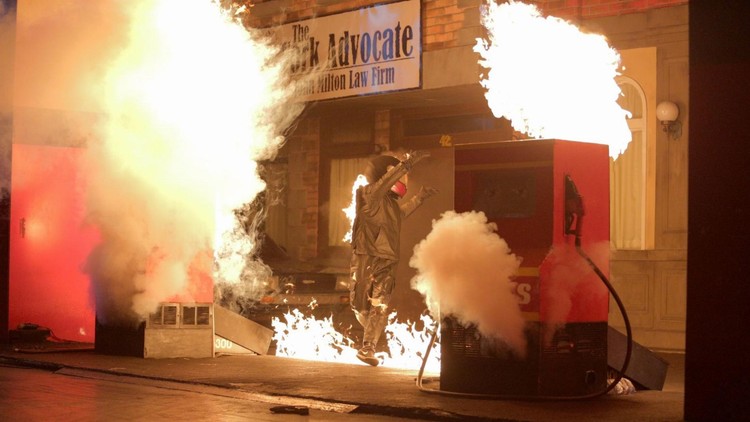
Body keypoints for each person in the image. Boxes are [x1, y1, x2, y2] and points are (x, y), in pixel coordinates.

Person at [349, 151, 438, 366]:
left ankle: (368, 347)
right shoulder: (370, 194)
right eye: (399, 175)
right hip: (367, 257)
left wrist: (420, 198)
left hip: (388, 259)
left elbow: (400, 215)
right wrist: (407, 164)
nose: (403, 181)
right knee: (361, 305)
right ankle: (366, 332)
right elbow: (386, 182)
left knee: (379, 305)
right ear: (388, 174)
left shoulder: (390, 204)